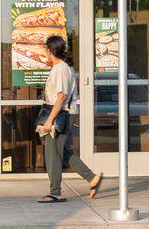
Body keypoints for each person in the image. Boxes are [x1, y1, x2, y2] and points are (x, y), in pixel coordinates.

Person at [36, 34, 102, 203]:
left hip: (60, 115)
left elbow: (61, 96)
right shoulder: (62, 68)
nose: (44, 51)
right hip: (63, 113)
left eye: (45, 48)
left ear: (50, 50)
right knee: (63, 153)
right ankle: (93, 178)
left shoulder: (61, 69)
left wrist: (49, 120)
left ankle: (55, 192)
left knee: (52, 154)